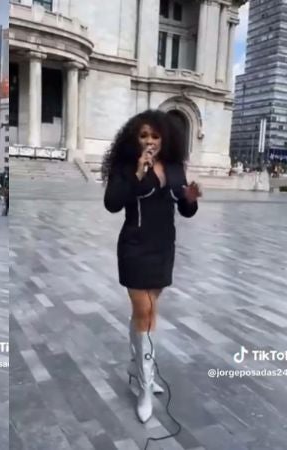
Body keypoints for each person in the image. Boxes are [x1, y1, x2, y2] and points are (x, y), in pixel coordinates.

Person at [102, 109, 200, 424]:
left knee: (147, 312)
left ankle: (136, 366)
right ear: (135, 138)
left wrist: (191, 198)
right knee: (144, 312)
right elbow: (112, 203)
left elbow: (186, 210)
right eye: (144, 135)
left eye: (155, 136)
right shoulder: (125, 166)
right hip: (134, 247)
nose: (150, 141)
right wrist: (137, 173)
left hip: (163, 248)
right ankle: (145, 387)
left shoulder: (174, 166)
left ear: (164, 139)